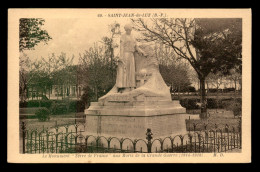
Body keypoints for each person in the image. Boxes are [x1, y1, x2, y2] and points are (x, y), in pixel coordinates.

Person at [116, 24, 147, 93]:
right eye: (127, 30)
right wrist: (121, 57)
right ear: (125, 30)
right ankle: (124, 87)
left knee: (131, 71)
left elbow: (136, 47)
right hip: (125, 54)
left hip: (131, 55)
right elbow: (121, 47)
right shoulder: (123, 37)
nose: (129, 31)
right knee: (125, 71)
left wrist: (142, 52)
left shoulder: (133, 37)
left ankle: (131, 86)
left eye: (130, 30)